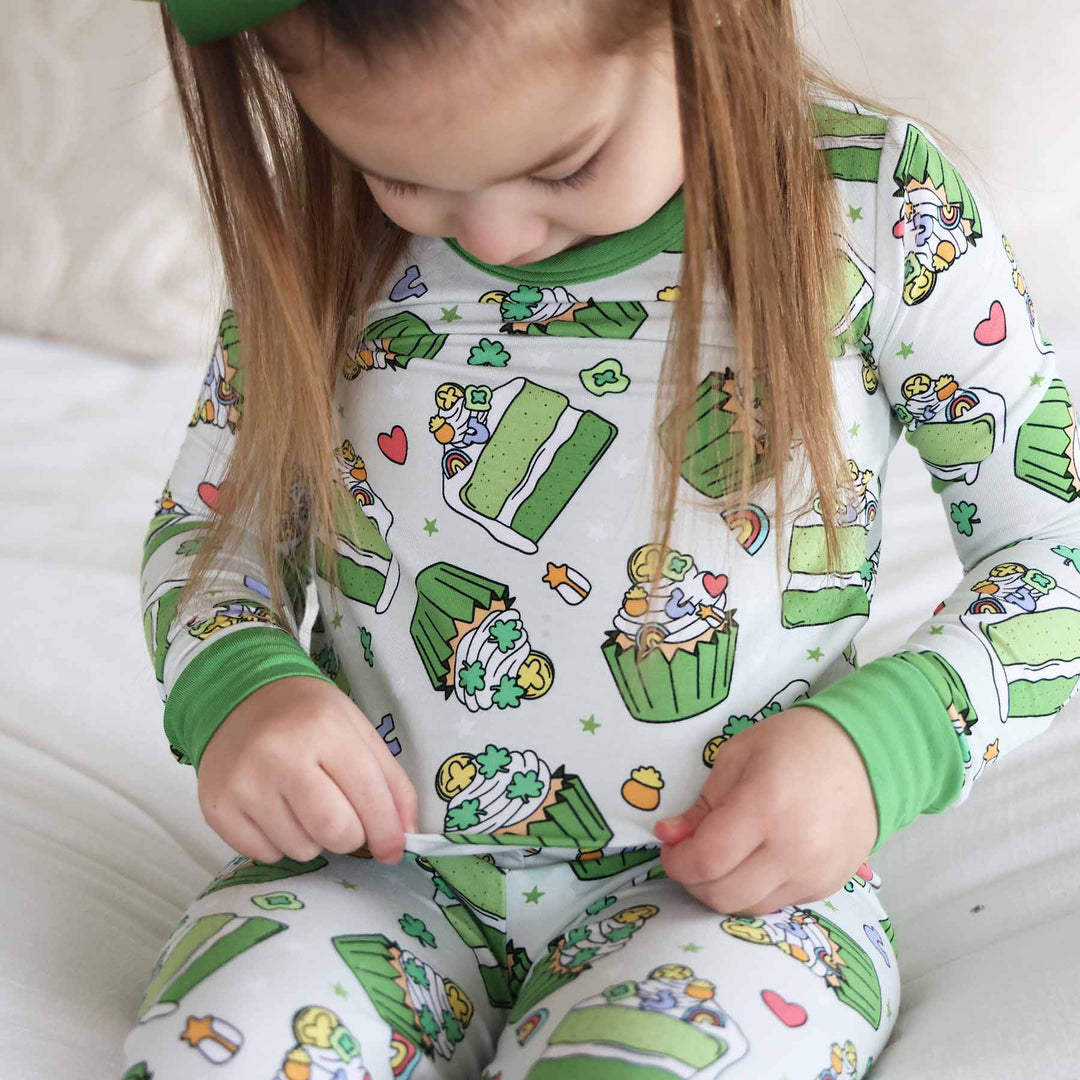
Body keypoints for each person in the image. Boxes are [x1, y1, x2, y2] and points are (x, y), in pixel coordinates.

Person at [122, 0, 1080, 1077]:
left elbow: (1053, 549)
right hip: (366, 871)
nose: (490, 236)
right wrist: (242, 686)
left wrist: (887, 742)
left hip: (725, 900)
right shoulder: (323, 228)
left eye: (565, 166)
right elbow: (211, 536)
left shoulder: (875, 209)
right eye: (405, 176)